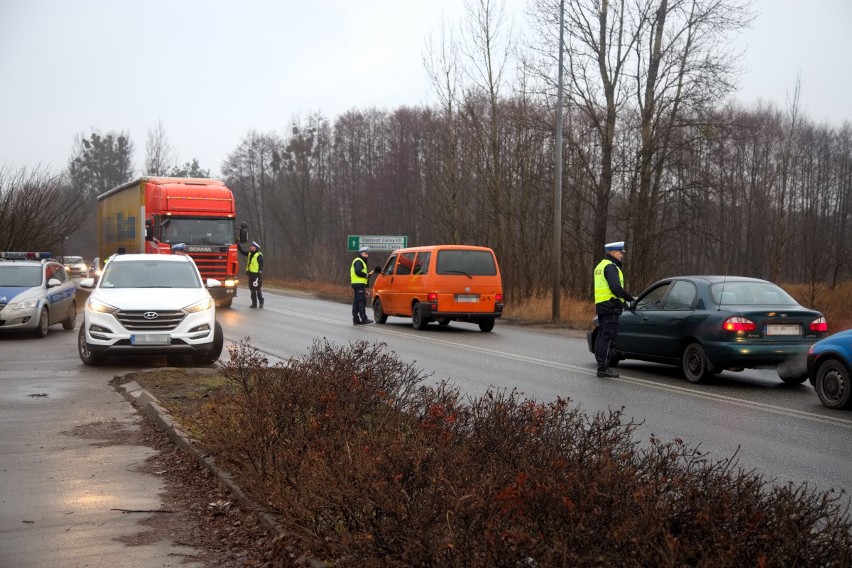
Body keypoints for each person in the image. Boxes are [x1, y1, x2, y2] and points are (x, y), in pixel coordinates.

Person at [593, 241, 634, 378]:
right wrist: (628, 297)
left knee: (602, 336)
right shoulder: (611, 267)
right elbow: (615, 288)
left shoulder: (600, 265)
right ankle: (603, 367)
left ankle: (601, 365)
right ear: (614, 253)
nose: (622, 255)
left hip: (603, 306)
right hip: (611, 307)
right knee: (608, 337)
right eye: (621, 253)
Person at [350, 246, 380, 325]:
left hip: (359, 285)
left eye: (367, 254)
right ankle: (364, 319)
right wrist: (366, 275)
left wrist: (364, 289)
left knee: (356, 302)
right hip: (359, 284)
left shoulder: (360, 261)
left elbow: (360, 273)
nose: (367, 255)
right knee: (361, 302)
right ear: (361, 253)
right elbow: (358, 272)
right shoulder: (359, 261)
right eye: (365, 253)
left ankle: (356, 320)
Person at [237, 240, 264, 308]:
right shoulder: (249, 253)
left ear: (255, 247)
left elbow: (261, 265)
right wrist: (238, 244)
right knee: (252, 289)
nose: (250, 247)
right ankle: (254, 304)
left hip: (256, 275)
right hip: (251, 274)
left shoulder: (259, 255)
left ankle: (261, 302)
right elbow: (242, 252)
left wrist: (260, 271)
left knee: (257, 289)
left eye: (252, 246)